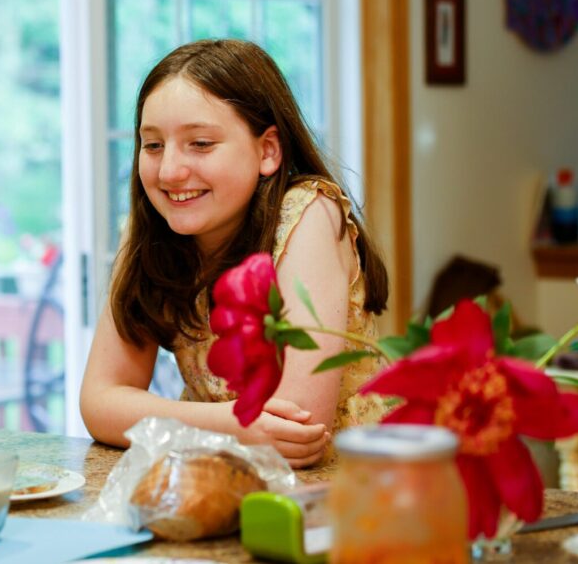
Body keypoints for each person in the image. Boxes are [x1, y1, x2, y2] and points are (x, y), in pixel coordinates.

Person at [79, 39, 388, 468]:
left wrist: (174, 421)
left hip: (347, 492)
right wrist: (235, 425)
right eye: (152, 145)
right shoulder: (150, 227)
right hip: (224, 477)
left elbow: (299, 426)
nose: (169, 171)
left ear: (267, 151)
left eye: (200, 143)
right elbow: (99, 402)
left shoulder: (309, 215)